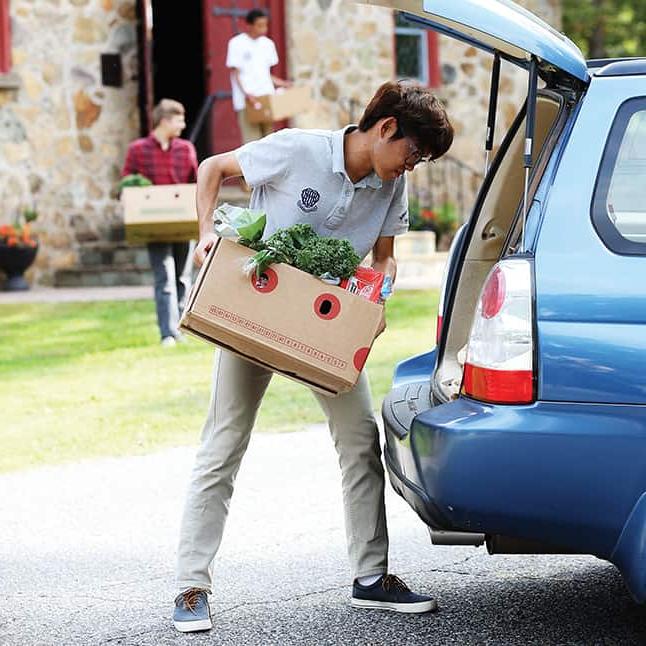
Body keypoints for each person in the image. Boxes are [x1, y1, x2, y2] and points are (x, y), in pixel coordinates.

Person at [172, 81, 454, 633]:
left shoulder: (389, 187)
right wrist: (206, 234)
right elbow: (212, 167)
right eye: (413, 153)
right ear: (387, 128)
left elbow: (385, 258)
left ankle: (370, 578)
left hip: (326, 329)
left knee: (359, 443)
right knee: (224, 443)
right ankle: (190, 586)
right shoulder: (297, 148)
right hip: (258, 313)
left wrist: (379, 290)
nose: (413, 166)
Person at [122, 99, 198, 347]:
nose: (183, 125)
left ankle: (182, 328)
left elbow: (195, 184)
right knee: (164, 278)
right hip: (153, 223)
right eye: (179, 120)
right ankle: (168, 333)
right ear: (164, 121)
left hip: (182, 221)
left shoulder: (186, 149)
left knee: (183, 277)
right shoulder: (138, 150)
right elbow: (126, 185)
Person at [226, 8, 291, 144]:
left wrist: (283, 84)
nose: (264, 29)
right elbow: (236, 73)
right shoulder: (237, 43)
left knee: (269, 141)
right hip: (247, 100)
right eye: (259, 25)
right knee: (252, 143)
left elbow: (266, 74)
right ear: (249, 25)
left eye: (265, 25)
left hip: (266, 97)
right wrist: (247, 94)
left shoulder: (268, 44)